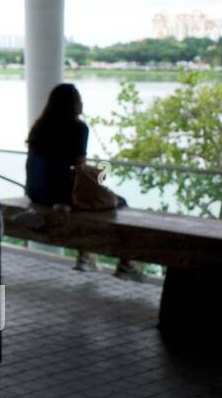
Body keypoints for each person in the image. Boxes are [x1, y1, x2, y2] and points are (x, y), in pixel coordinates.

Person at [25, 83, 138, 277]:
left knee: (82, 204)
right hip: (58, 194)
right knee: (117, 203)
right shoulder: (78, 128)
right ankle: (125, 263)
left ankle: (85, 257)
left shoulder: (40, 125)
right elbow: (80, 167)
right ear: (75, 104)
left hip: (35, 191)